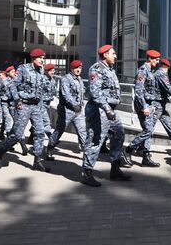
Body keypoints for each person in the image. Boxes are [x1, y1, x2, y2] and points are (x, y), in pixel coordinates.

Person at [80, 44, 131, 187]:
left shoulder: (110, 69)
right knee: (95, 140)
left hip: (110, 110)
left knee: (119, 133)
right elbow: (95, 93)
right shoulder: (96, 69)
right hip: (99, 110)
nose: (115, 56)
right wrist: (108, 109)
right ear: (105, 55)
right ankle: (87, 172)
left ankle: (115, 168)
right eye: (113, 53)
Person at [0, 48, 50, 172]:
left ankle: (37, 160)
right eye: (40, 58)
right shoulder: (23, 69)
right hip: (23, 105)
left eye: (43, 58)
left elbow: (40, 89)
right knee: (17, 135)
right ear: (33, 58)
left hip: (36, 106)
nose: (42, 60)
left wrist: (40, 104)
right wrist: (17, 100)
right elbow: (13, 85)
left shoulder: (41, 70)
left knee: (40, 133)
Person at [125, 49, 163, 167]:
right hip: (143, 105)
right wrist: (144, 107)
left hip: (150, 105)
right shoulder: (142, 70)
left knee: (149, 130)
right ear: (150, 59)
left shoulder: (150, 71)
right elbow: (138, 91)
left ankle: (146, 157)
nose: (157, 62)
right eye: (156, 60)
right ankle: (128, 150)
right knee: (148, 130)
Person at [47, 59, 87, 157]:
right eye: (76, 68)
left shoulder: (79, 79)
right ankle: (50, 147)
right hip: (67, 110)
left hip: (78, 111)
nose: (78, 70)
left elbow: (82, 92)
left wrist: (80, 105)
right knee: (59, 130)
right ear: (71, 68)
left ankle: (88, 154)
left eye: (80, 68)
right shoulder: (66, 79)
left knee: (82, 131)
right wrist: (74, 105)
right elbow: (66, 95)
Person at [0, 66, 17, 141]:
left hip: (13, 103)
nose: (14, 73)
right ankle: (8, 137)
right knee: (7, 118)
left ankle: (3, 132)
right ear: (8, 73)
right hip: (4, 103)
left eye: (14, 71)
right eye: (12, 72)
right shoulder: (3, 81)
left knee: (15, 119)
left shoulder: (16, 81)